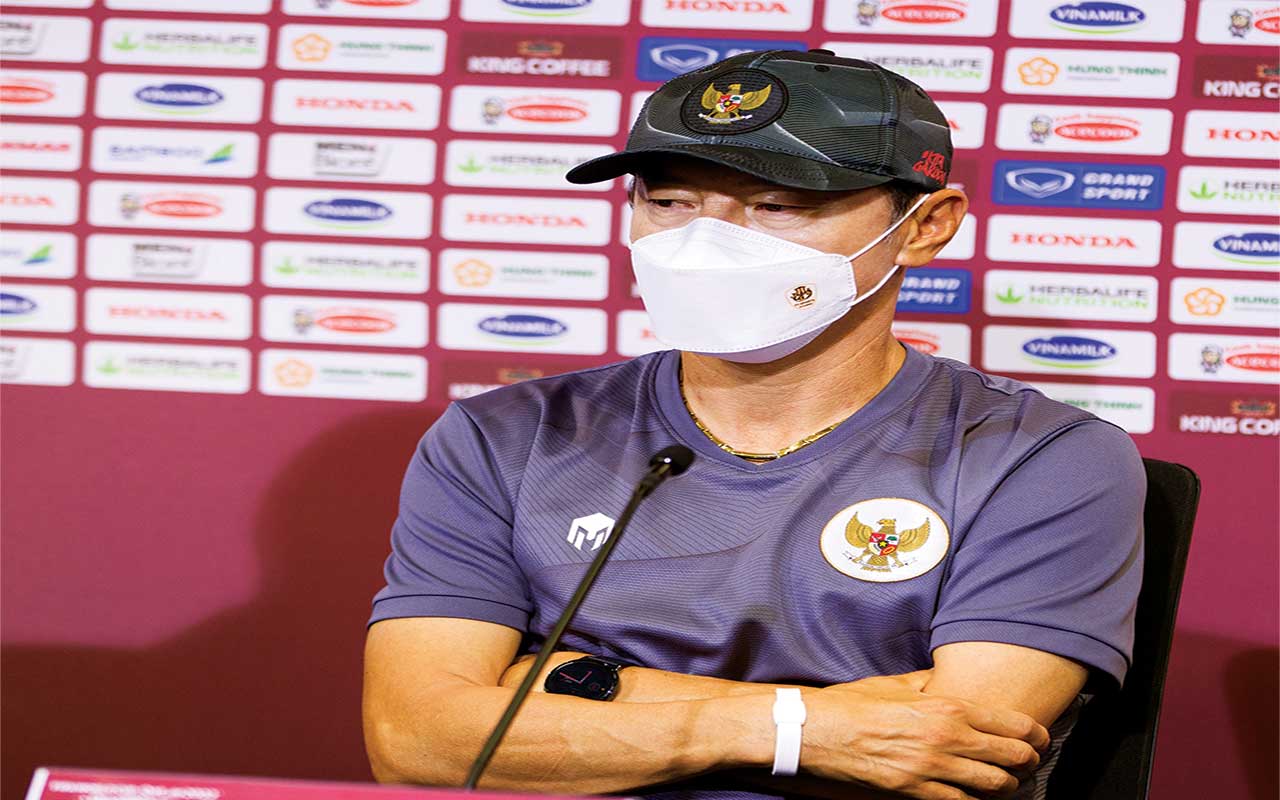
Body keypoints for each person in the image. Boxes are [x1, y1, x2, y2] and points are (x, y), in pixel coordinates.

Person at [363, 50, 1144, 800]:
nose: (706, 241)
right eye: (669, 202)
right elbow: (418, 740)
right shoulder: (504, 435)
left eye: (777, 207)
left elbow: (955, 754)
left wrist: (571, 686)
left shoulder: (1040, 456)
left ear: (926, 225)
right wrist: (802, 727)